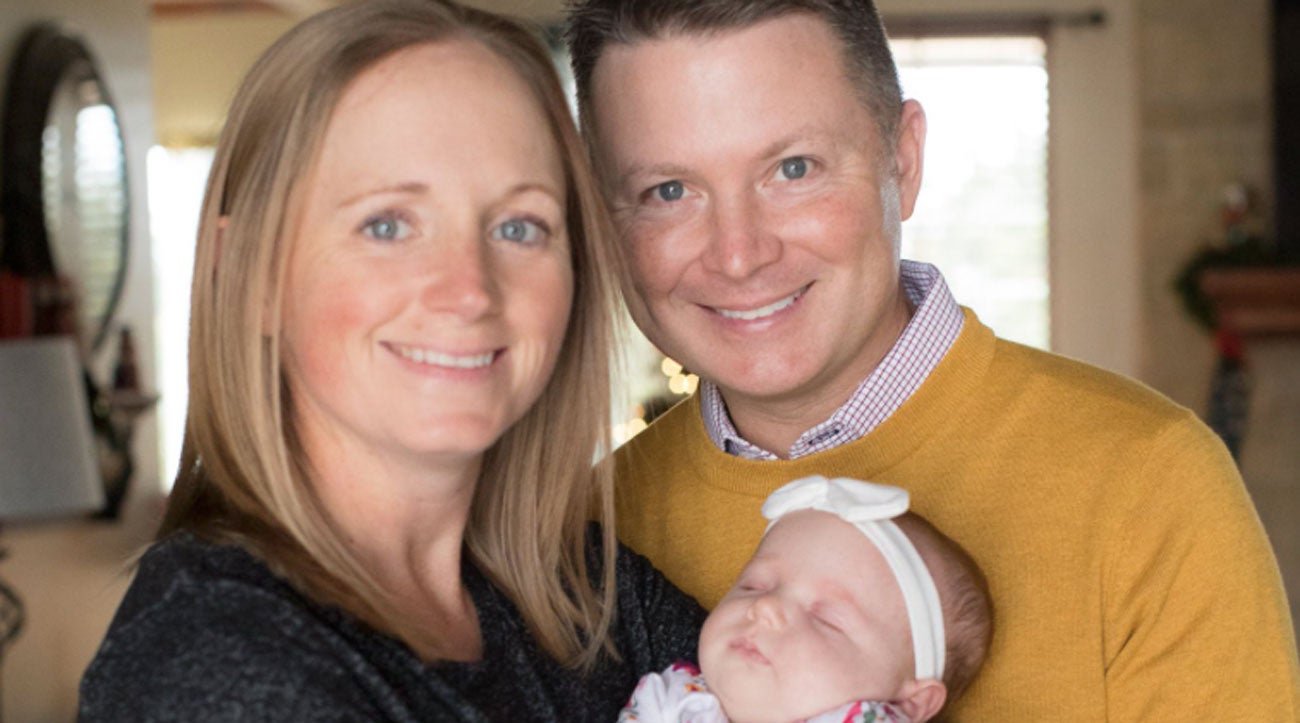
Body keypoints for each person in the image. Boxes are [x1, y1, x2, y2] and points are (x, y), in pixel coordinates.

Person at [564, 0, 1300, 718]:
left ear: (904, 158)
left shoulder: (1150, 484)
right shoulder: (589, 536)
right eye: (668, 190)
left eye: (793, 168)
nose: (738, 253)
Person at [78, 1, 704, 720]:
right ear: (245, 274)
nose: (469, 290)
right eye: (387, 225)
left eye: (518, 226)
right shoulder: (212, 658)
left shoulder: (595, 595)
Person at [620, 477, 991, 723]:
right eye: (753, 585)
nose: (765, 608)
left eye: (826, 619)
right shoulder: (670, 704)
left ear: (910, 704)